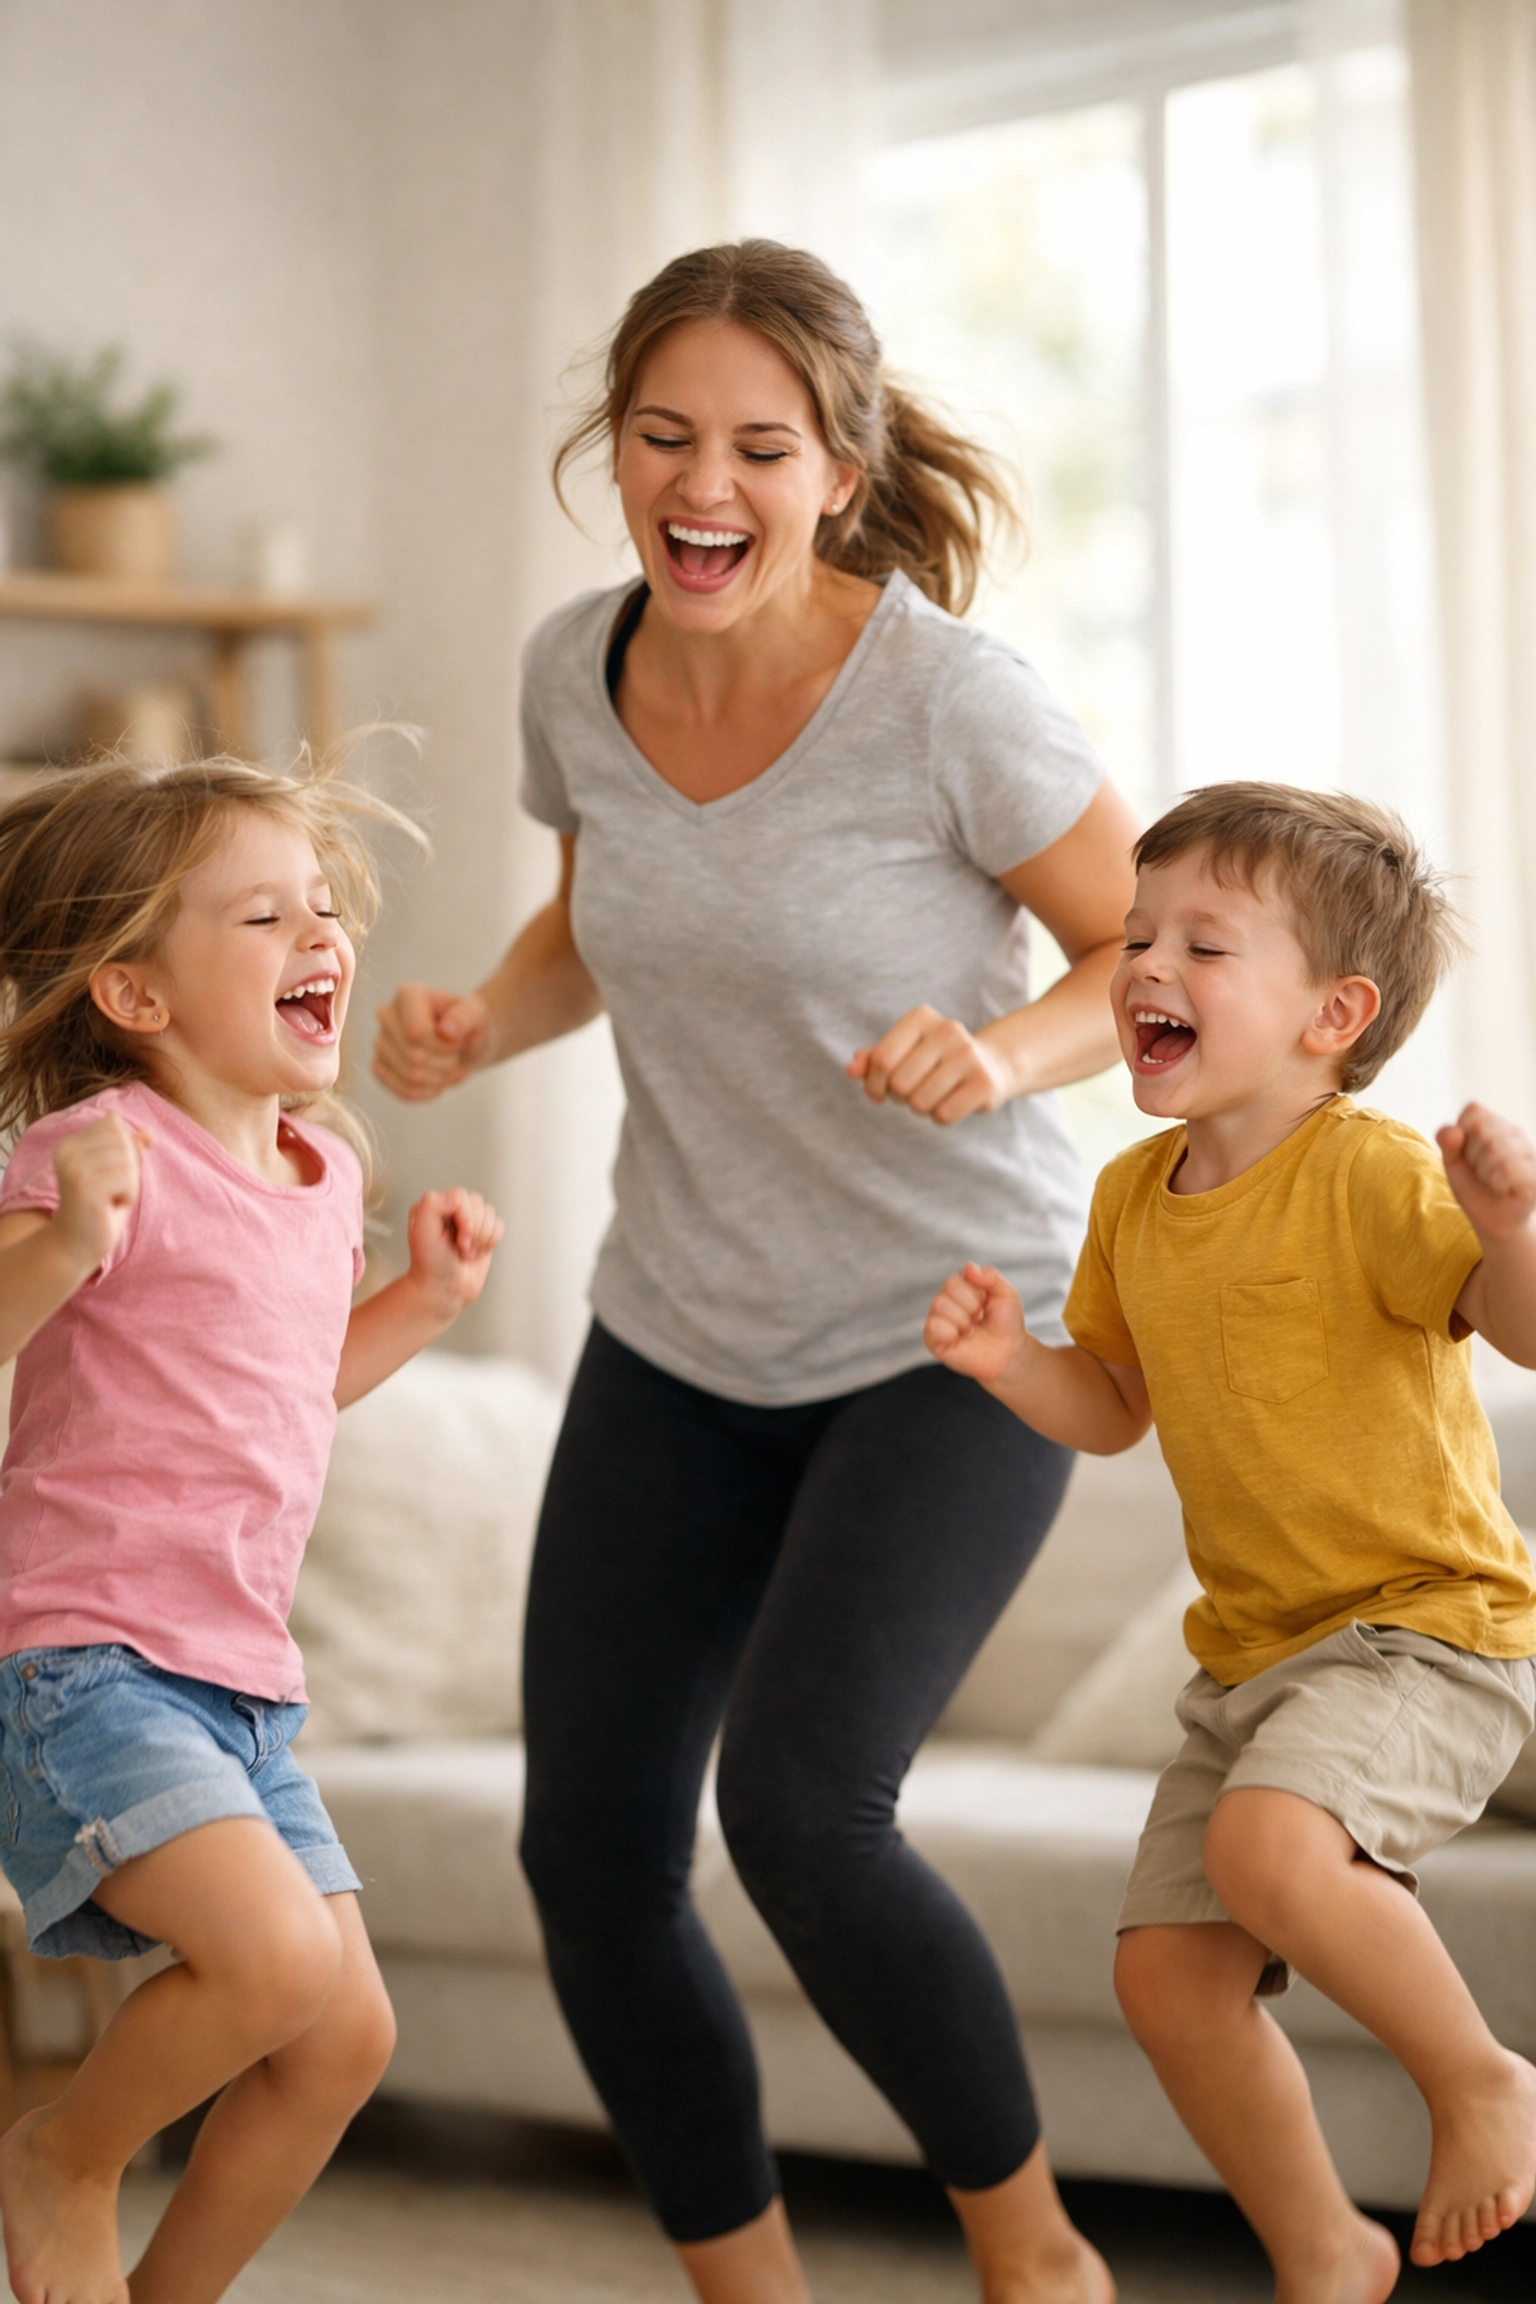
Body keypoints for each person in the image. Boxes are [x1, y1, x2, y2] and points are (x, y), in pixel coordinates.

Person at [372, 238, 1138, 2304]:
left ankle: (1034, 2257)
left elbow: (1145, 961)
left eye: (759, 447)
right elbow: (602, 923)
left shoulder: (950, 698)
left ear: (840, 465)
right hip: (682, 1323)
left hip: (954, 1325)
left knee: (803, 1810)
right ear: (610, 448)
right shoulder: (574, 668)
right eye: (662, 435)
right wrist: (481, 1021)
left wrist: (1002, 1053)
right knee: (592, 1860)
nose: (703, 484)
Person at [926, 782, 1536, 2304]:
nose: (1144, 968)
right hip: (1255, 1662)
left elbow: (1521, 1333)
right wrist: (1012, 1365)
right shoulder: (1133, 1198)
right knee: (1168, 1980)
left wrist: (1513, 1231)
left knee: (1269, 1853)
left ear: (1334, 1014)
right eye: (1138, 936)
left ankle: (1481, 2083)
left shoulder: (1378, 1174)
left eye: (1205, 944)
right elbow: (1116, 1404)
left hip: (1425, 1631)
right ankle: (1327, 2249)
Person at [0, 752, 502, 2304]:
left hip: (239, 1681)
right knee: (274, 1967)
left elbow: (281, 1391)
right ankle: (60, 2156)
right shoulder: (100, 1156)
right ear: (136, 995)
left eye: (326, 908)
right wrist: (70, 1236)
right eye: (265, 917)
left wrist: (415, 1304)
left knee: (341, 2035)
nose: (322, 939)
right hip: (80, 1655)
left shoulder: (321, 1165)